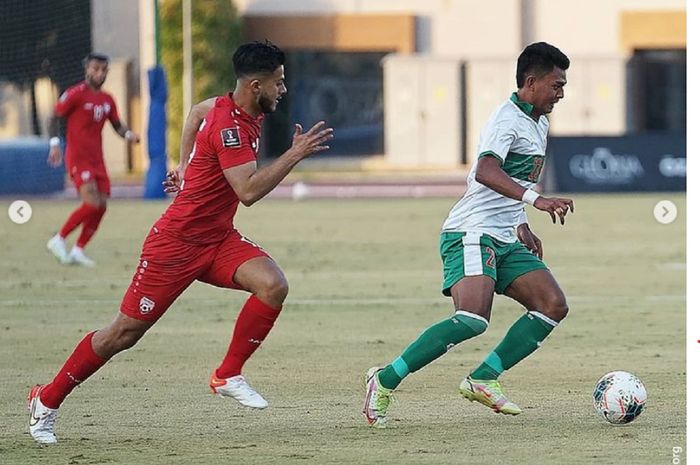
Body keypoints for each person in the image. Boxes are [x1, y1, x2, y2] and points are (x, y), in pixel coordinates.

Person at [28, 40, 334, 444]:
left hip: (217, 239)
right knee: (123, 334)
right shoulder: (229, 127)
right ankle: (46, 400)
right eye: (278, 83)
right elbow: (247, 191)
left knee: (273, 284)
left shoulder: (233, 106)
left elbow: (194, 113)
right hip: (175, 245)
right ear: (256, 85)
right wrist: (294, 155)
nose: (284, 89)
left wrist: (185, 166)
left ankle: (227, 374)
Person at [363, 42, 574, 428]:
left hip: (504, 234)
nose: (561, 93)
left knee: (552, 305)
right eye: (556, 85)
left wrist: (521, 222)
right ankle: (384, 379)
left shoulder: (539, 121)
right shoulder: (505, 119)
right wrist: (536, 200)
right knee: (473, 318)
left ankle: (483, 378)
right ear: (531, 82)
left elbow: (517, 175)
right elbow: (486, 171)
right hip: (471, 231)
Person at [46, 52, 140, 267]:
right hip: (78, 158)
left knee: (102, 206)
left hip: (97, 160)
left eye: (103, 70)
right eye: (95, 69)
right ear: (86, 69)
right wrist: (54, 145)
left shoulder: (107, 99)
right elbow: (53, 116)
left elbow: (117, 125)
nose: (99, 73)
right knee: (92, 203)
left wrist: (128, 135)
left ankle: (79, 249)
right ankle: (58, 239)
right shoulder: (75, 94)